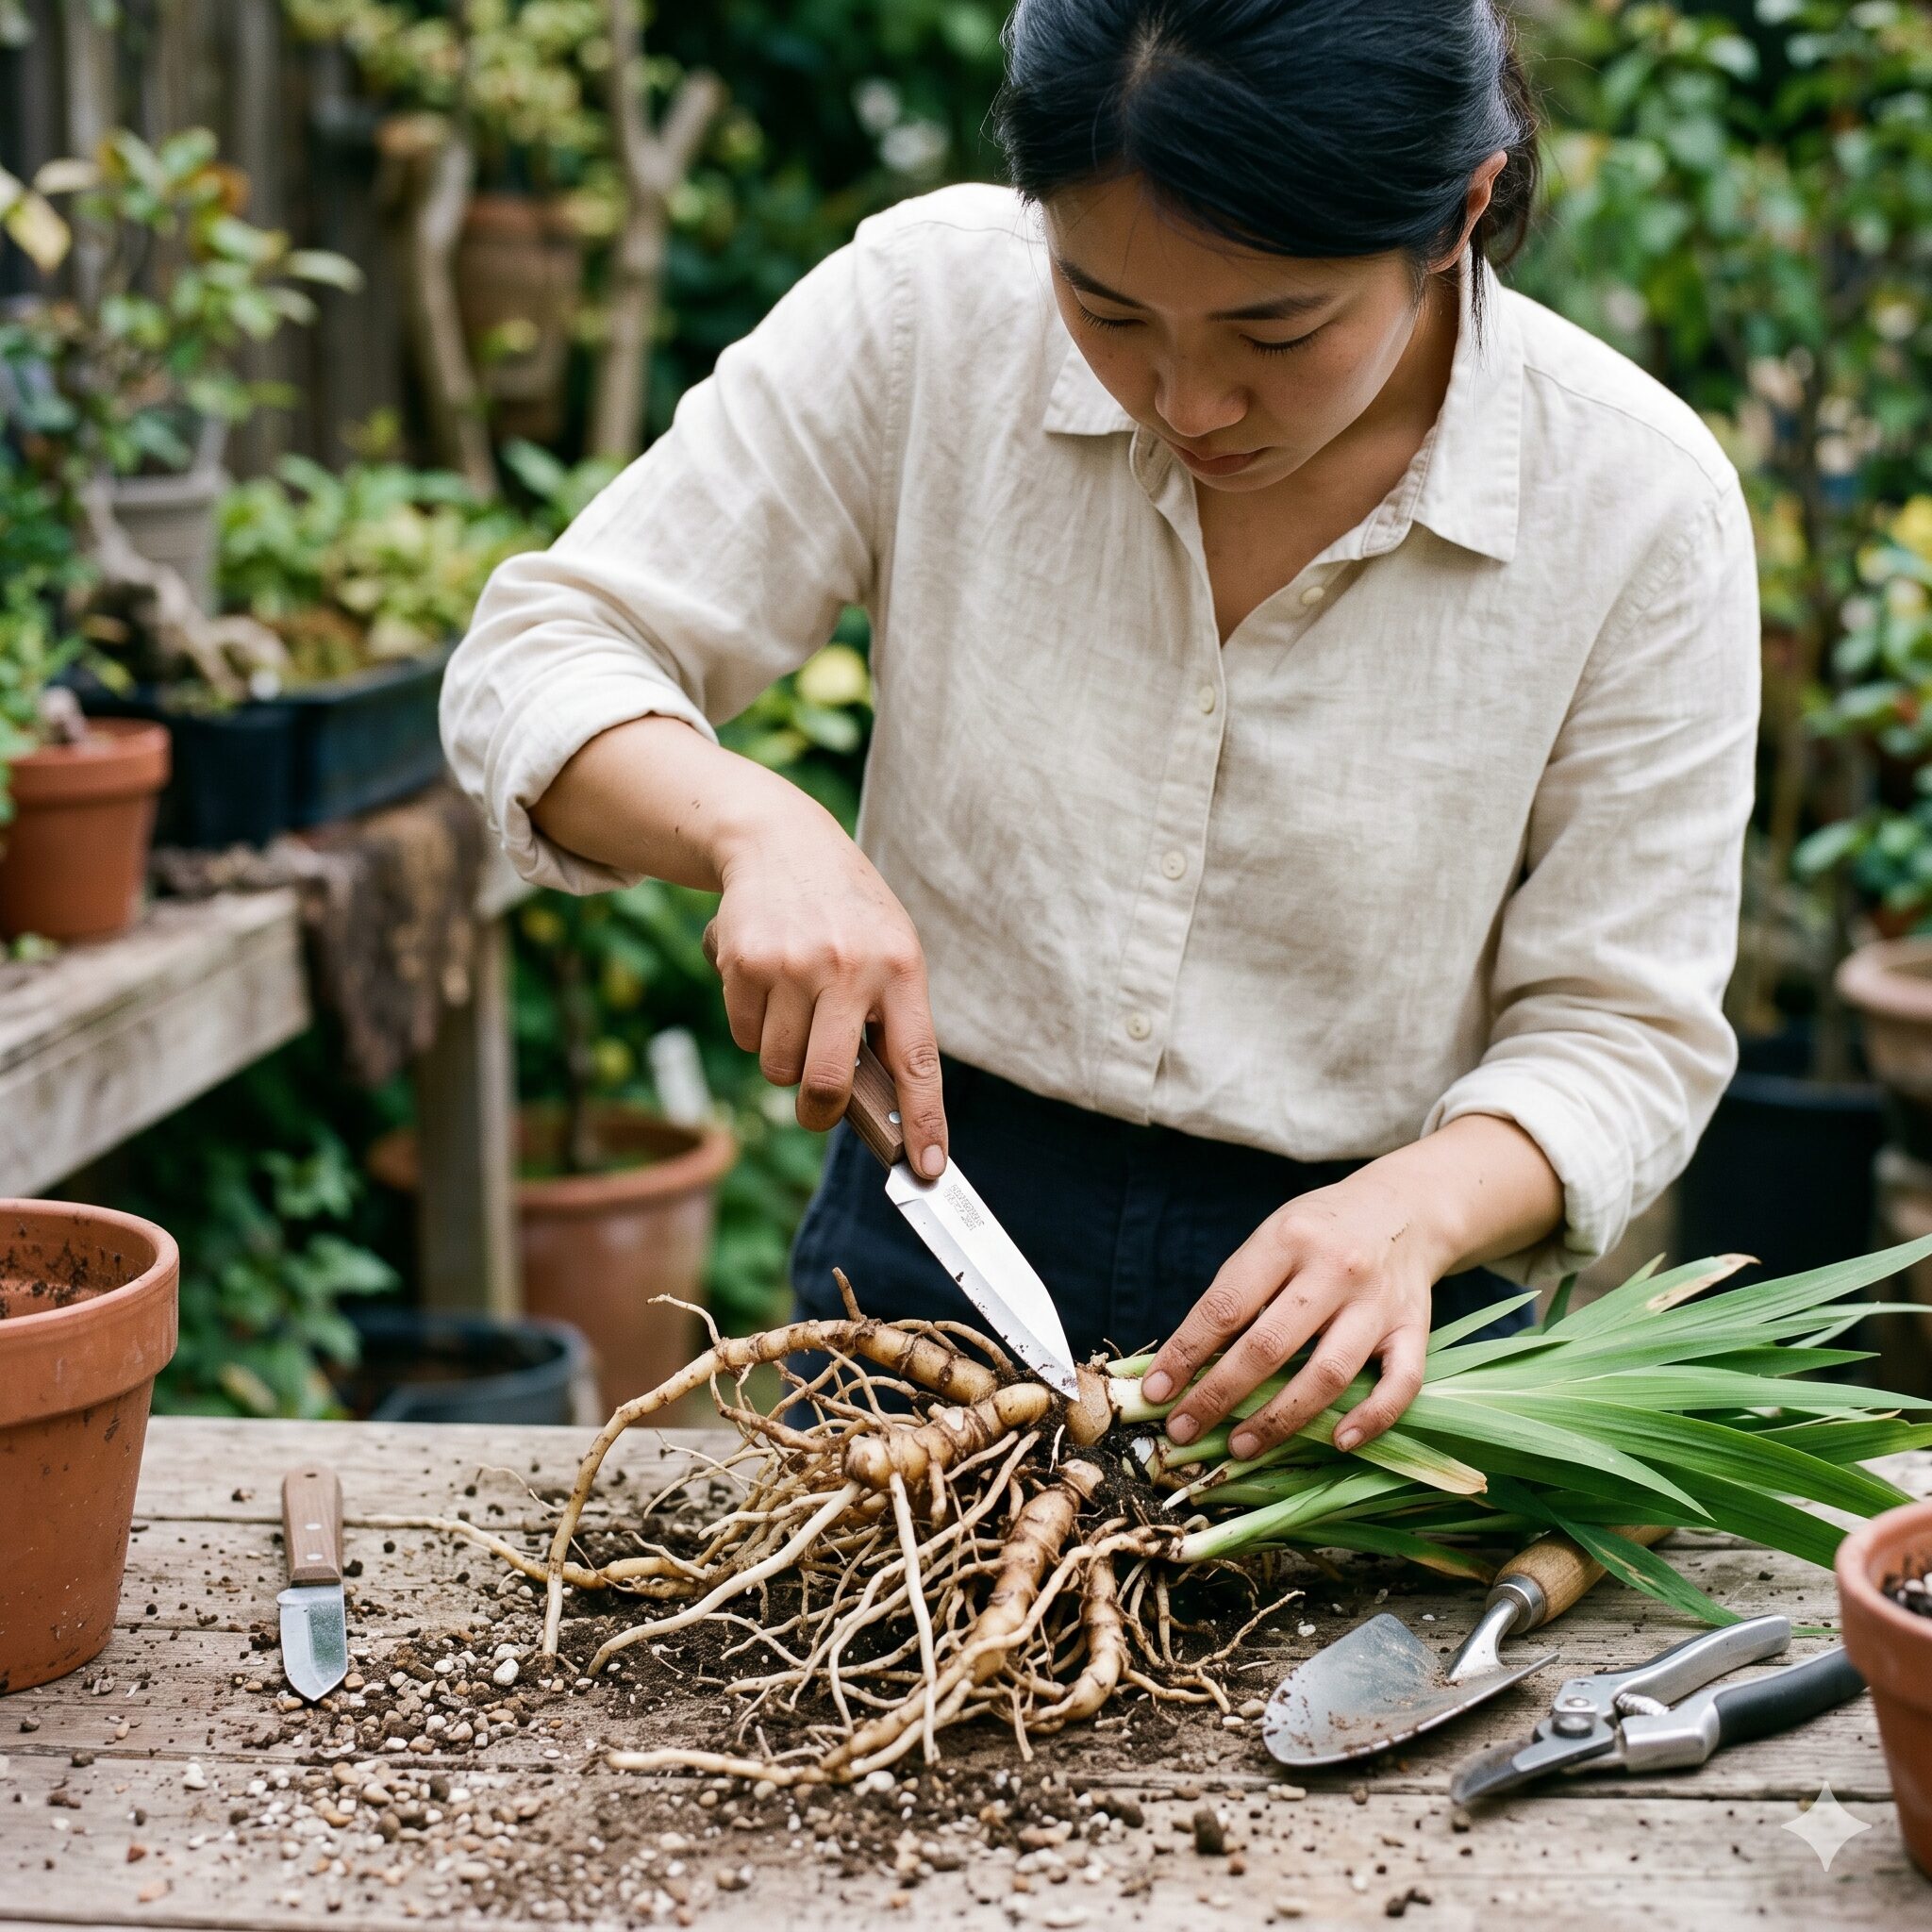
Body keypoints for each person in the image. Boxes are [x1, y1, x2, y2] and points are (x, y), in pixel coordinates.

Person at [443, 0, 1757, 1466]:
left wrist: (1416, 1212)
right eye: (1110, 309)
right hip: (940, 1231)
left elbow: (1626, 1031)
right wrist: (753, 828)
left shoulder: (1639, 505)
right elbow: (539, 656)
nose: (1189, 401)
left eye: (1279, 326)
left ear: (1461, 212)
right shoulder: (933, 311)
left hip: (1367, 1321)